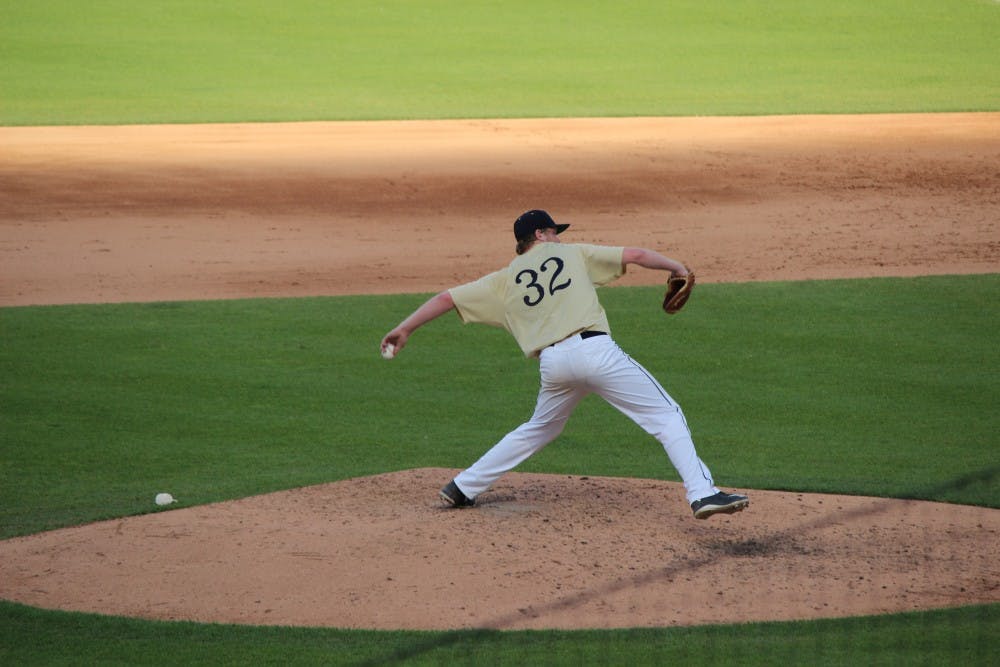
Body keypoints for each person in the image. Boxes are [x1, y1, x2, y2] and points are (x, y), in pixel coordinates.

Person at [380, 209, 748, 519]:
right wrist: (676, 267)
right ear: (540, 234)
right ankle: (702, 493)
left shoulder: (504, 280)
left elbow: (446, 298)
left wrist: (404, 328)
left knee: (540, 428)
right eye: (554, 232)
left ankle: (462, 486)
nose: (558, 237)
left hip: (553, 364)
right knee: (667, 415)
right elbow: (634, 255)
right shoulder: (571, 254)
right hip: (595, 353)